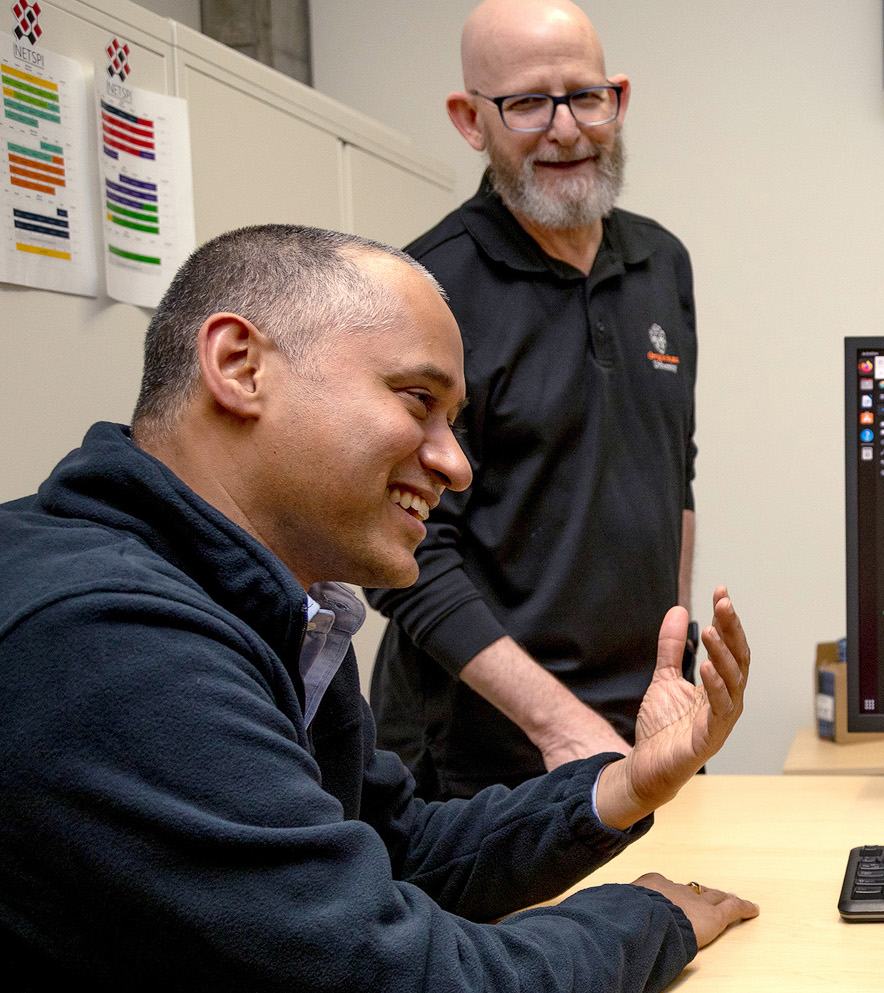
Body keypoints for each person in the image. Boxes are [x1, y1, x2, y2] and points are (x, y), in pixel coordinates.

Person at [0, 224, 758, 989]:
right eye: (417, 400)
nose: (456, 465)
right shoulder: (110, 640)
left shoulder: (267, 602)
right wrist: (651, 915)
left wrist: (627, 783)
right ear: (238, 365)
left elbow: (399, 845)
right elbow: (409, 977)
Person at [366, 0, 701, 799]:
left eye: (586, 97)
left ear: (618, 97)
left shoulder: (663, 263)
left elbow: (672, 479)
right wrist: (561, 724)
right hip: (483, 760)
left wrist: (673, 669)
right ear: (469, 119)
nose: (566, 130)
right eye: (526, 103)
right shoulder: (425, 290)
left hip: (640, 730)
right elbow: (400, 553)